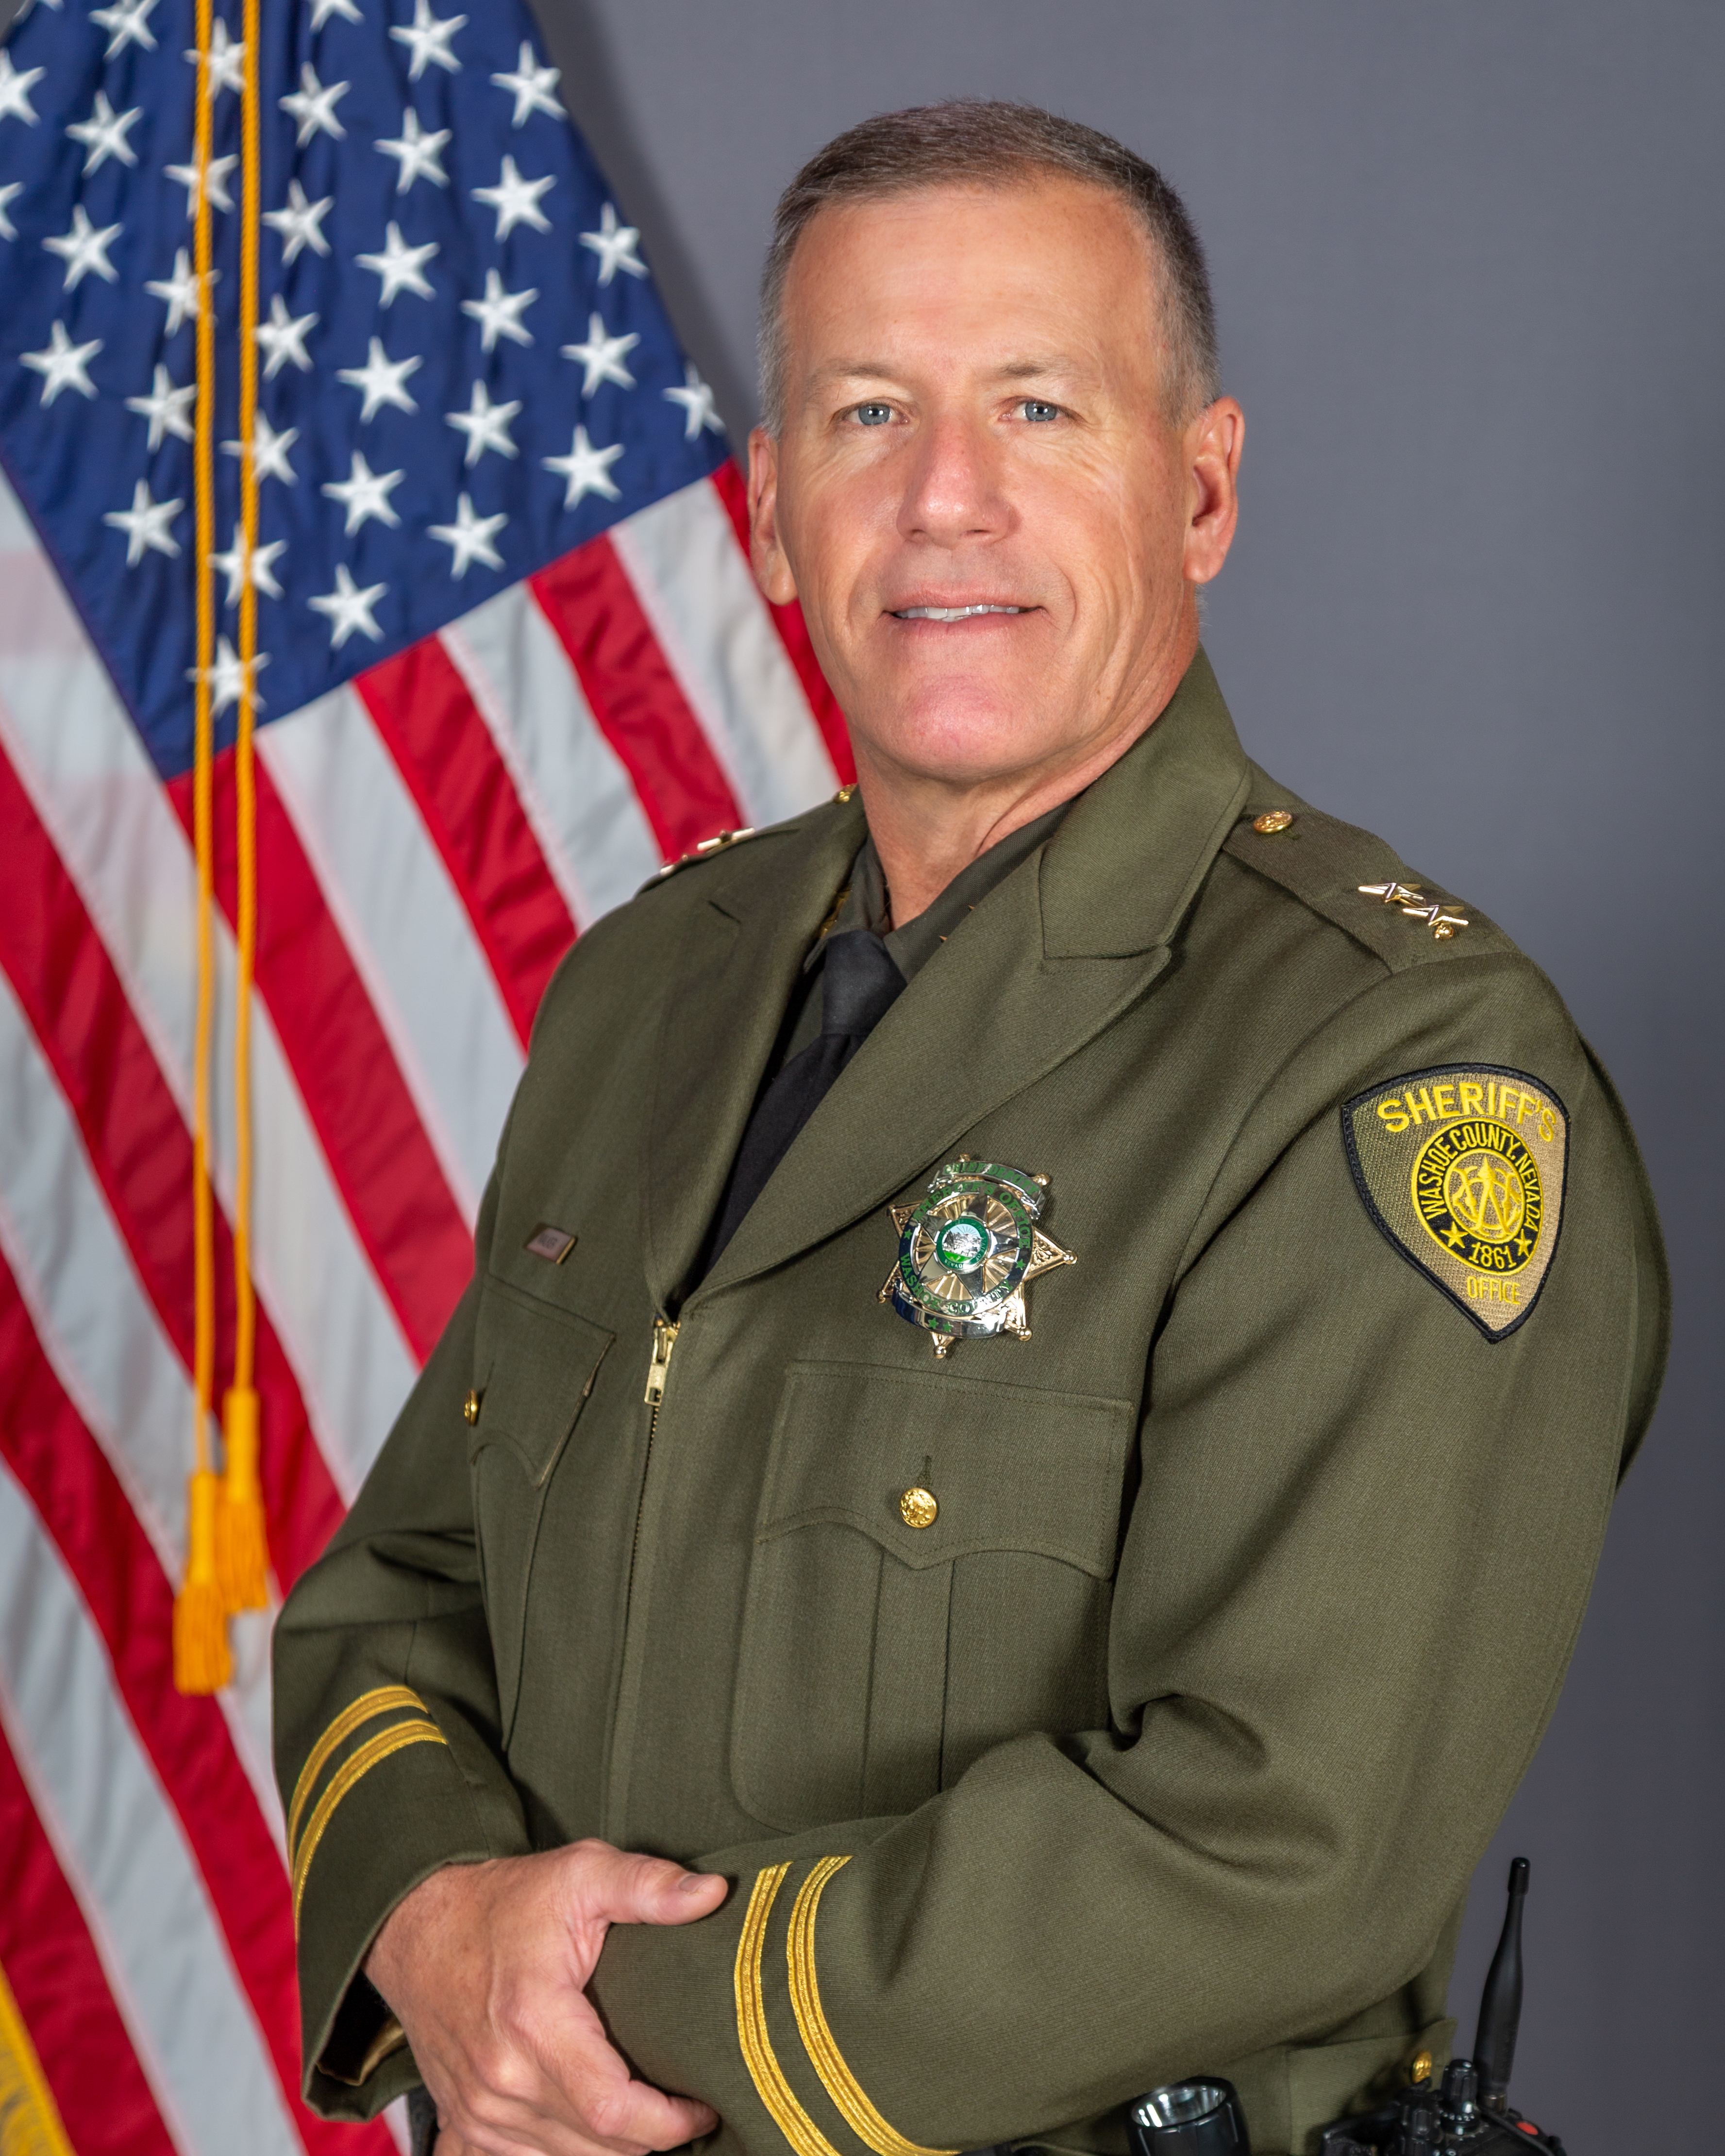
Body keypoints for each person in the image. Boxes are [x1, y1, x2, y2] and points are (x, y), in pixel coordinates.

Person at [273, 101, 1668, 2156]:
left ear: (1197, 490)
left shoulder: (1391, 1070)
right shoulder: (648, 992)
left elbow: (1274, 1832)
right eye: (864, 415)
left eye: (1037, 408)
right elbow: (400, 1592)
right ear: (766, 513)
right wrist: (429, 1912)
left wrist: (563, 2000)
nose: (945, 500)